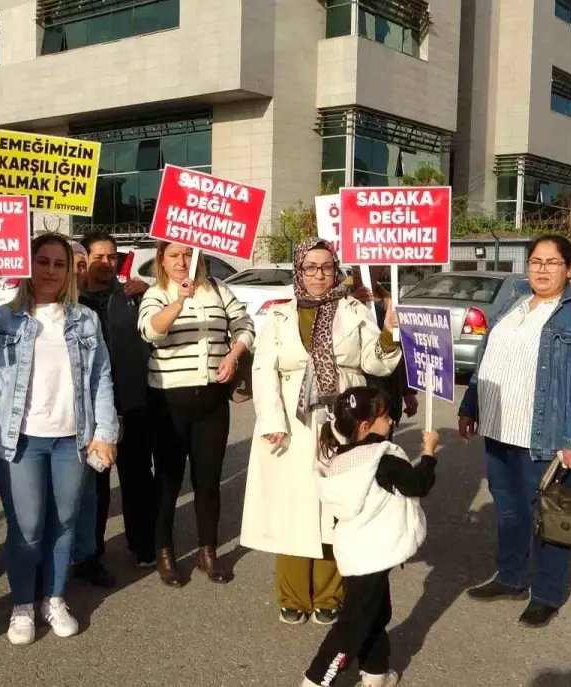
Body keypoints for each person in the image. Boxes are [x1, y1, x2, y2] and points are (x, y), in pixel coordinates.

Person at [0, 233, 118, 646]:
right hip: (19, 442)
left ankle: (55, 599)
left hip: (72, 440)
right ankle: (23, 605)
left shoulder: (85, 319)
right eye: (42, 261)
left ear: (69, 271)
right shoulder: (2, 318)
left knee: (63, 524)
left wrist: (104, 432)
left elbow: (100, 377)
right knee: (26, 527)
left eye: (59, 264)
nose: (50, 271)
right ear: (28, 266)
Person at [241, 238, 402, 625]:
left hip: (343, 417)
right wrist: (273, 421)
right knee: (292, 507)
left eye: (326, 267)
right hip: (292, 421)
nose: (318, 275)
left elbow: (375, 365)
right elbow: (263, 370)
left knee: (337, 505)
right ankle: (293, 594)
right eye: (310, 267)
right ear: (298, 270)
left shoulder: (354, 309)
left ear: (336, 270)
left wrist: (388, 334)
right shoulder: (280, 314)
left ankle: (330, 593)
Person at [458, 234, 571, 628]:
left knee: (551, 518)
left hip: (545, 439)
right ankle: (510, 578)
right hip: (499, 430)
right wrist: (470, 406)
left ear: (569, 269)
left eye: (552, 262)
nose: (542, 269)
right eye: (536, 261)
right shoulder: (513, 303)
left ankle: (546, 594)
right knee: (509, 512)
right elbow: (488, 361)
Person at [300, 387, 438, 687]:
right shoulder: (382, 459)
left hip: (355, 552)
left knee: (376, 613)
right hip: (374, 553)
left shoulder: (340, 457)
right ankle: (316, 679)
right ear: (365, 425)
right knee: (351, 626)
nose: (391, 421)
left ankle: (376, 674)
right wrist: (429, 453)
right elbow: (418, 484)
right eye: (385, 417)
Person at [137, 240, 254, 586]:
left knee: (208, 480)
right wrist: (179, 301)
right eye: (173, 255)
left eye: (188, 254)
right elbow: (150, 331)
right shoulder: (156, 293)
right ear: (161, 259)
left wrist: (233, 354)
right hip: (169, 402)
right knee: (168, 481)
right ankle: (164, 552)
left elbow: (245, 324)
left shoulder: (217, 289)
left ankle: (207, 551)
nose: (181, 261)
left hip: (212, 401)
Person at [72, 232, 158, 588]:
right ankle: (90, 554)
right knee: (94, 485)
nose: (106, 263)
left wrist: (147, 291)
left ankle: (143, 544)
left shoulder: (132, 295)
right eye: (99, 257)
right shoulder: (72, 300)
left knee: (138, 478)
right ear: (85, 259)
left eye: (112, 257)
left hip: (132, 400)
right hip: (91, 408)